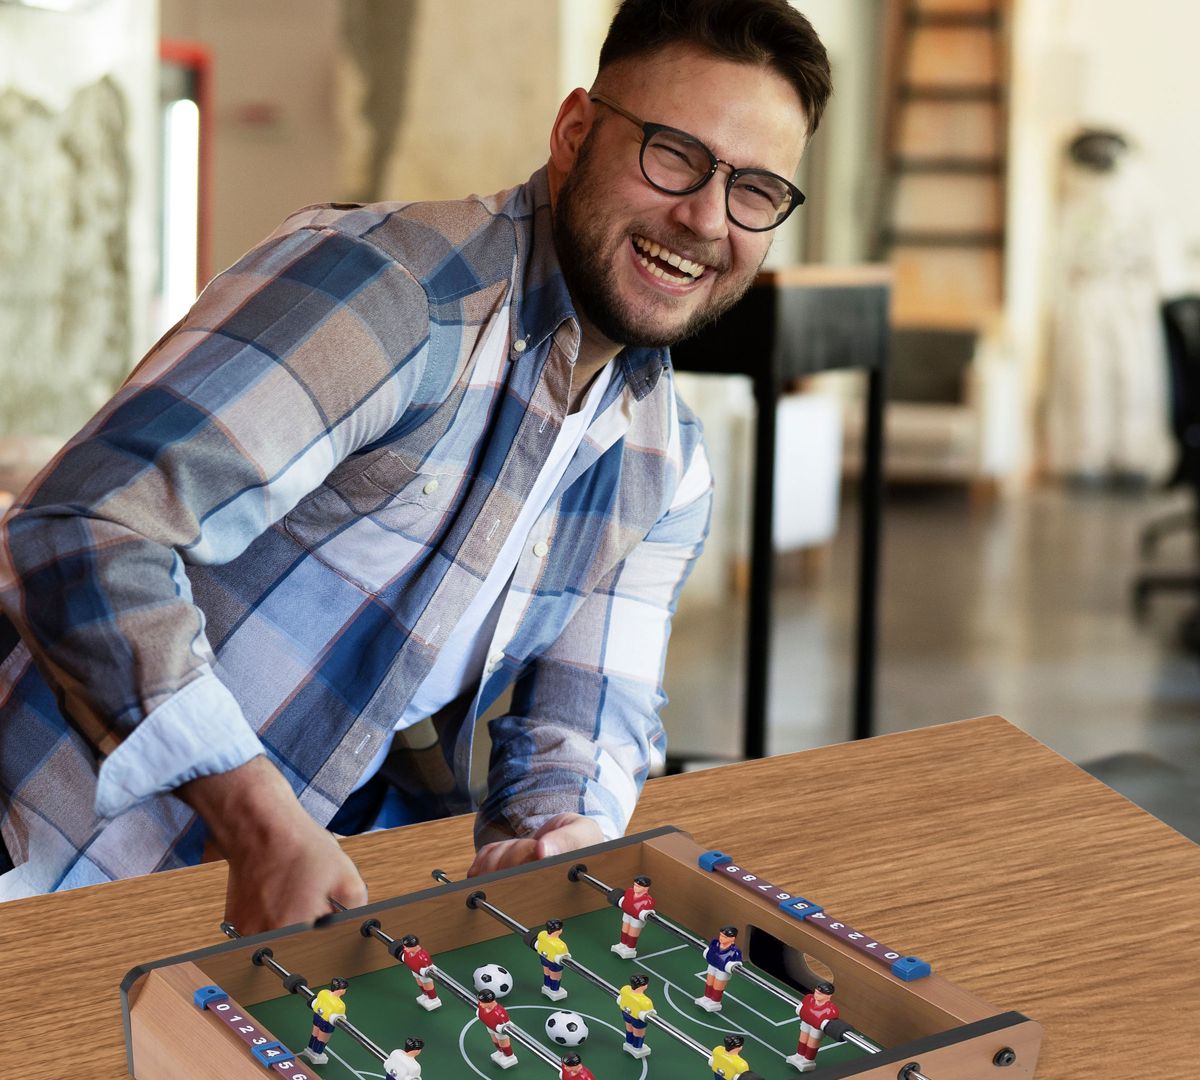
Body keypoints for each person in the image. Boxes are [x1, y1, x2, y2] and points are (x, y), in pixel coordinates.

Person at [0, 0, 831, 934]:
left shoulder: (665, 465)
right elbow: (84, 526)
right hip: (44, 863)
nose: (706, 217)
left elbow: (586, 718)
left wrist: (563, 833)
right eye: (675, 153)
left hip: (244, 929)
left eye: (756, 190)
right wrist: (260, 822)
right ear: (574, 133)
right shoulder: (396, 296)